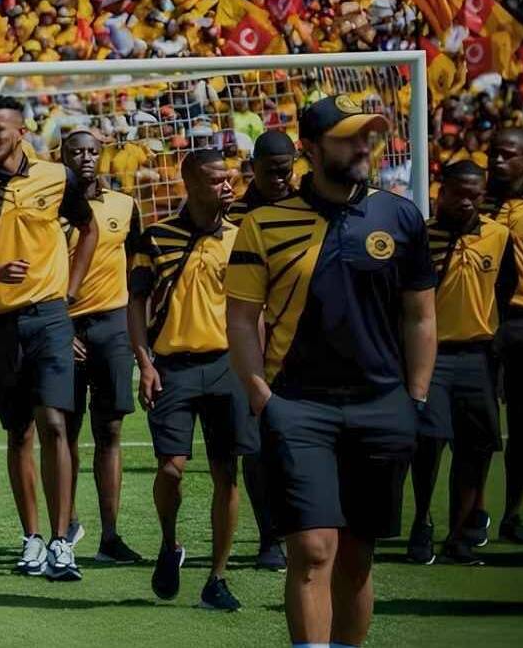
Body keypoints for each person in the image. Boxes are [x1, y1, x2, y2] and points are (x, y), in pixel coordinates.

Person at [225, 95, 436, 647]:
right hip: (298, 406)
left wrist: (414, 396)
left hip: (382, 406)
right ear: (312, 150)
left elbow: (420, 314)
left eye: (367, 136)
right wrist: (260, 393)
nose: (363, 147)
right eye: (348, 138)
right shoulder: (263, 224)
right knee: (313, 548)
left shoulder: (400, 216)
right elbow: (242, 319)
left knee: (357, 555)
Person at [0, 96, 98, 581]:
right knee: (19, 432)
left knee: (54, 422)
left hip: (50, 317)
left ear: (21, 131)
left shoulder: (57, 177)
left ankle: (61, 541)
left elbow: (88, 229)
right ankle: (31, 538)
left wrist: (70, 292)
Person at [131, 149, 255, 611]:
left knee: (227, 471)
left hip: (227, 366)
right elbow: (135, 304)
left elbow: (253, 310)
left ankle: (217, 577)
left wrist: (257, 369)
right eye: (216, 179)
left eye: (229, 178)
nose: (227, 185)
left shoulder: (241, 237)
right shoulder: (155, 238)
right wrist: (144, 363)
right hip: (173, 367)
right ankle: (169, 544)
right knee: (171, 468)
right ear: (190, 183)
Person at [407, 160, 515, 566]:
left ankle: (459, 536)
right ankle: (421, 521)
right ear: (441, 192)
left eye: (474, 195)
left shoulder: (499, 236)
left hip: (476, 355)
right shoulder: (421, 236)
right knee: (428, 441)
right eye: (458, 194)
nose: (466, 202)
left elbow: (506, 289)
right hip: (431, 355)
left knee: (476, 447)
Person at [57, 129, 143, 564]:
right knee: (65, 430)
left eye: (93, 151)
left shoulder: (125, 206)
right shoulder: (49, 208)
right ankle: (67, 526)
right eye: (77, 151)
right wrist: (59, 328)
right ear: (63, 157)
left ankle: (110, 536)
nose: (86, 158)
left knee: (109, 430)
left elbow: (137, 269)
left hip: (112, 325)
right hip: (63, 326)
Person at [225, 130, 296, 573]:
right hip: (248, 341)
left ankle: (301, 529)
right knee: (256, 445)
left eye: (286, 171)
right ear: (253, 168)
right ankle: (269, 536)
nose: (280, 179)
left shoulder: (307, 208)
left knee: (301, 442)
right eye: (271, 171)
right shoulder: (232, 214)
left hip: (297, 342)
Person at [480, 128, 523, 545]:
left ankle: (513, 514)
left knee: (521, 426)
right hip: (482, 326)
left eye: (507, 154)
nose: (497, 161)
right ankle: (474, 516)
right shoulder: (473, 201)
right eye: (493, 154)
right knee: (478, 429)